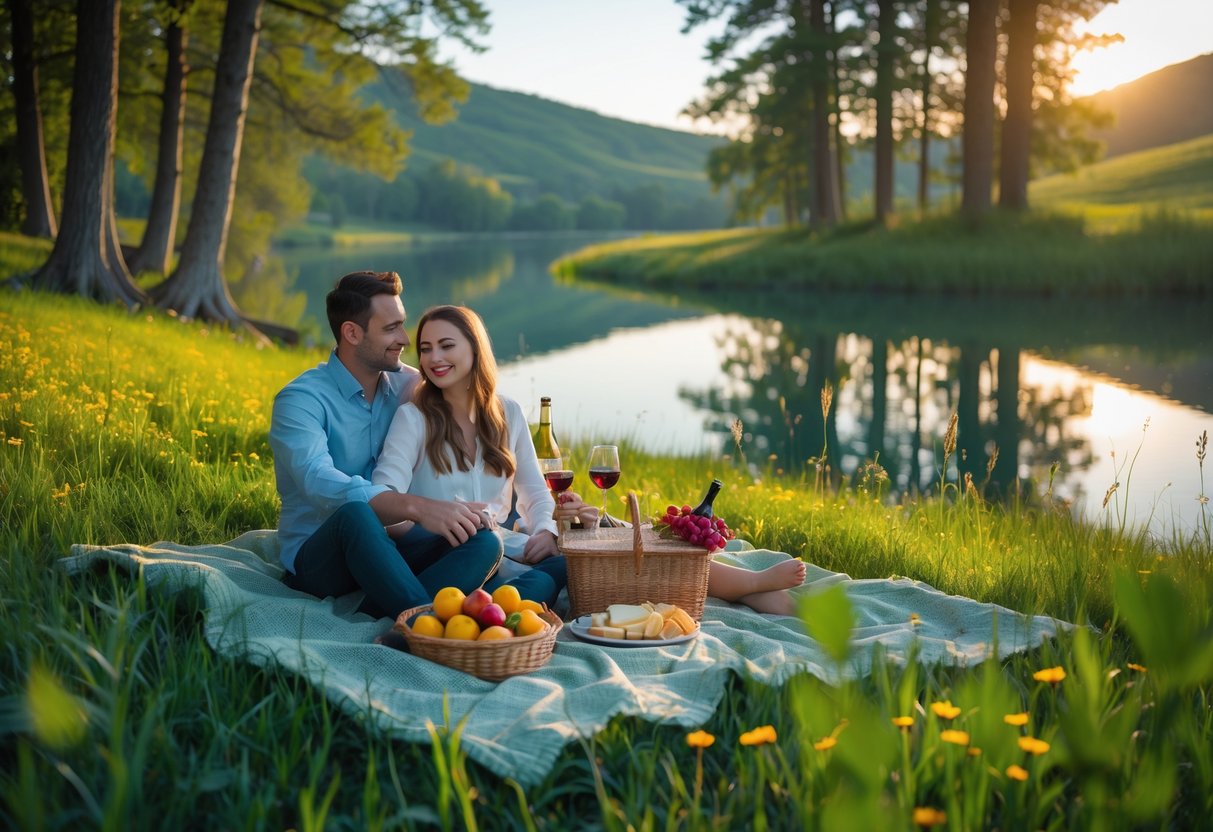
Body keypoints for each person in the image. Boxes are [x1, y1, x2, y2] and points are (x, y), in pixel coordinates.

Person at [269, 271, 503, 620]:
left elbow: (473, 400)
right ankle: (422, 626)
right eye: (391, 328)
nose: (405, 338)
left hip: (392, 547)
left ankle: (390, 614)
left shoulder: (407, 384)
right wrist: (419, 508)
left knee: (482, 539)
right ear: (352, 333)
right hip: (322, 561)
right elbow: (319, 482)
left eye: (403, 325)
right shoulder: (300, 400)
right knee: (355, 513)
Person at [371, 305, 591, 607]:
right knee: (492, 549)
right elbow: (383, 497)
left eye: (446, 346)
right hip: (444, 554)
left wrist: (545, 532)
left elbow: (536, 492)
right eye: (425, 349)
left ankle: (480, 611)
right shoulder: (413, 418)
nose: (434, 358)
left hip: (502, 550)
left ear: (475, 348)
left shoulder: (508, 413)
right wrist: (429, 514)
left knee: (563, 564)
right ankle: (440, 616)